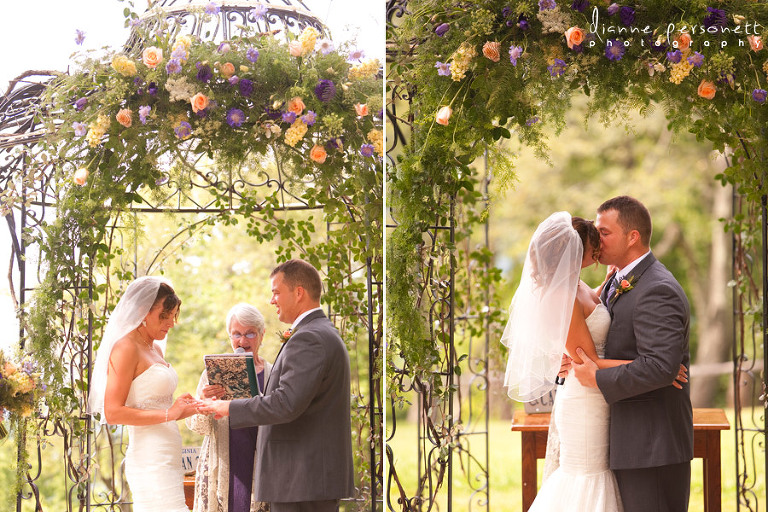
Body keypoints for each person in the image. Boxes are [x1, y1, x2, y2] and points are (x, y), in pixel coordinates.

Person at [502, 212, 686, 512]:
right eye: (592, 244)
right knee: (587, 479)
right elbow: (588, 364)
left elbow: (594, 309)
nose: (597, 247)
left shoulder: (574, 285)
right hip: (585, 401)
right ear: (574, 251)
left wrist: (609, 282)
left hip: (598, 394)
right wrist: (661, 368)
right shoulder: (560, 295)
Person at [196, 259, 354, 512]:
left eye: (276, 292)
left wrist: (229, 407)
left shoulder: (310, 337)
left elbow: (285, 403)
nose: (272, 300)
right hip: (305, 480)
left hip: (302, 480)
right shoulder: (319, 332)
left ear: (299, 292)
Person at [572, 196, 693, 512]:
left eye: (604, 232)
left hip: (651, 445)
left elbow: (660, 367)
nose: (596, 239)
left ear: (632, 237)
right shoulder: (618, 278)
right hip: (627, 440)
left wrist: (596, 375)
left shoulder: (657, 288)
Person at [87, 276, 197, 512]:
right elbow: (113, 412)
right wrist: (170, 413)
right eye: (164, 316)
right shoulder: (125, 348)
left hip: (169, 455)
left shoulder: (155, 348)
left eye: (173, 316)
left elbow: (160, 408)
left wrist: (192, 406)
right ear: (142, 311)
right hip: (149, 459)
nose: (171, 323)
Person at [186, 303, 272, 512]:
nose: (242, 341)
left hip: (259, 462)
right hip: (223, 462)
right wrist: (203, 402)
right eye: (236, 334)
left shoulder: (273, 373)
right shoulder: (212, 373)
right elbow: (198, 427)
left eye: (250, 334)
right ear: (229, 336)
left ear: (262, 335)